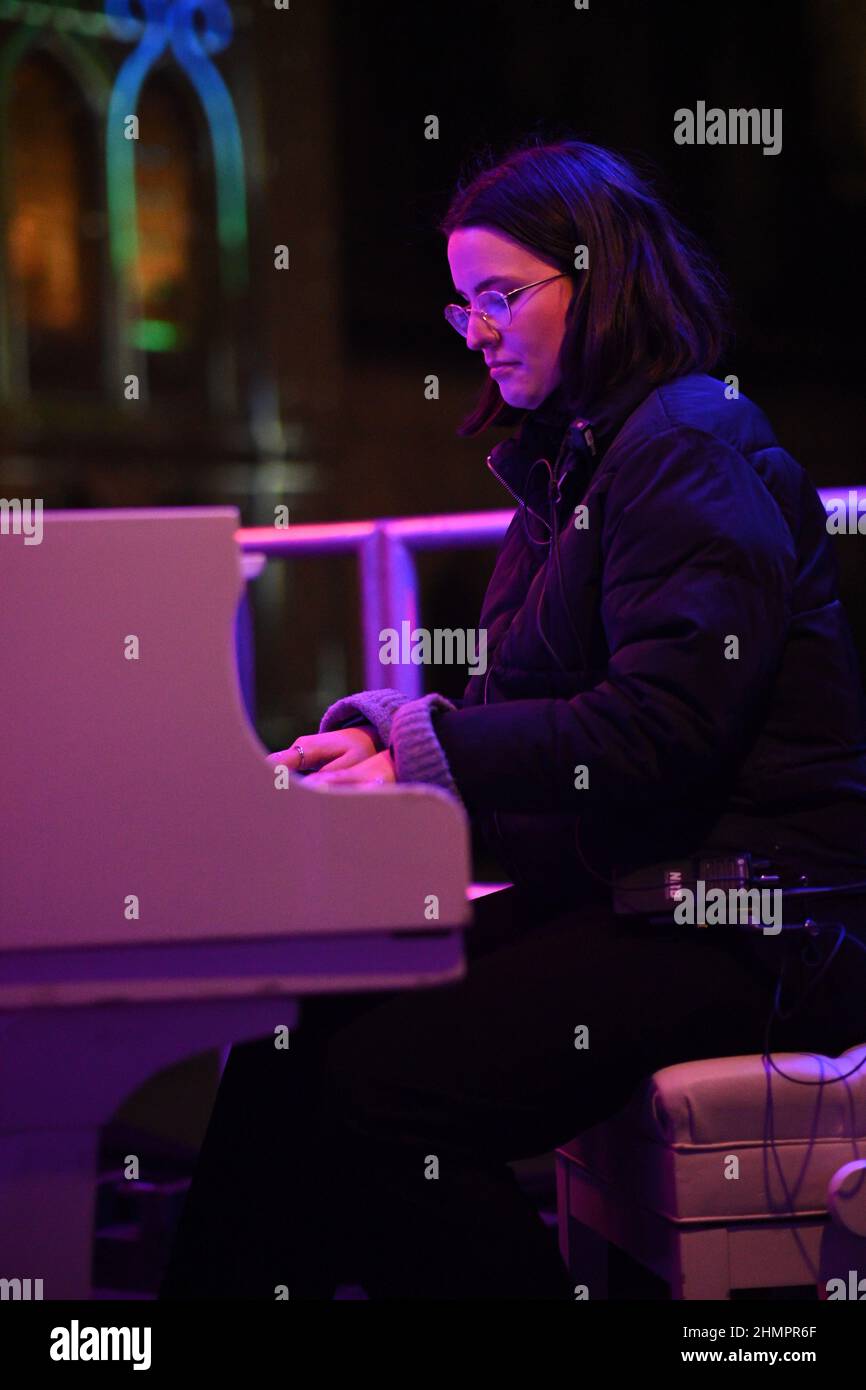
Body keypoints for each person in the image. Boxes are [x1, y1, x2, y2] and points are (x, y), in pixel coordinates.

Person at [159, 138, 866, 1300]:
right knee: (296, 1033)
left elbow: (653, 730)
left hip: (754, 920)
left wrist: (422, 757)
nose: (476, 331)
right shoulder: (579, 461)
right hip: (641, 893)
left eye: (500, 296)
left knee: (381, 1096)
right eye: (463, 304)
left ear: (602, 279)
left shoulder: (685, 445)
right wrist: (391, 734)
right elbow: (537, 699)